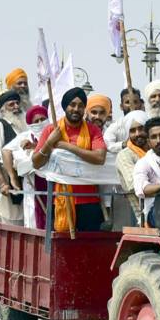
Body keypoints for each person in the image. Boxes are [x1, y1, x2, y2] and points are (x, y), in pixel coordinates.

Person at [32, 87, 107, 232]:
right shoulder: (51, 130)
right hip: (61, 199)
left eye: (80, 106)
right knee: (62, 247)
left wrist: (66, 146)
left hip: (89, 201)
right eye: (72, 105)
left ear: (84, 109)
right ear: (65, 106)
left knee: (89, 248)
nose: (76, 109)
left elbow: (100, 157)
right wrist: (49, 143)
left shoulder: (93, 130)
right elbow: (36, 162)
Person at [0, 89, 27, 225]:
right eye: (11, 104)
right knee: (11, 224)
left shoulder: (23, 127)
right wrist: (3, 183)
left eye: (17, 103)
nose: (16, 107)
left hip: (24, 183)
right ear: (3, 110)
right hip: (7, 186)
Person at [115, 110, 149, 220]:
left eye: (141, 128)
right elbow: (135, 185)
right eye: (132, 130)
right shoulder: (124, 155)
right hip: (142, 216)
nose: (138, 133)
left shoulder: (155, 151)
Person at [104, 88, 145, 154]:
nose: (132, 105)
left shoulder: (147, 122)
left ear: (140, 104)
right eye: (127, 102)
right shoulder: (116, 126)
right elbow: (108, 145)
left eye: (135, 102)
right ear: (121, 106)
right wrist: (125, 144)